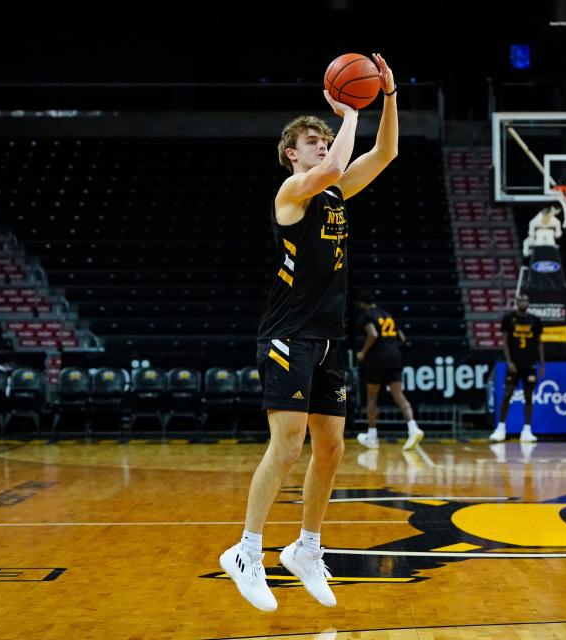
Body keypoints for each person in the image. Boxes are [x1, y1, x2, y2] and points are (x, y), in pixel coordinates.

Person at [219, 53, 398, 613]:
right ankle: (247, 551)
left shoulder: (336, 194)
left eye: (326, 139)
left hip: (328, 335)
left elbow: (386, 152)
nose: (323, 146)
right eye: (312, 141)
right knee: (289, 441)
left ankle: (306, 547)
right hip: (287, 332)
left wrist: (386, 98)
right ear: (291, 155)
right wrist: (348, 112)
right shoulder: (292, 193)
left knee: (332, 447)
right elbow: (330, 169)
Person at [354, 290, 424, 451]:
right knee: (399, 395)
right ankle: (413, 428)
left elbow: (373, 333)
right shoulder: (387, 315)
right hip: (395, 356)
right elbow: (402, 338)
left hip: (377, 359)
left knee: (372, 397)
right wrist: (390, 347)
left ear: (363, 304)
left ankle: (372, 437)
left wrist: (363, 352)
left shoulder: (366, 315)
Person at [489, 292, 544, 443]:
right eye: (520, 300)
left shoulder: (535, 320)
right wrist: (509, 361)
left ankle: (527, 430)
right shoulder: (508, 319)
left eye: (525, 300)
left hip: (530, 364)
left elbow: (540, 343)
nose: (523, 302)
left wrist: (542, 363)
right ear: (516, 302)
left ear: (528, 303)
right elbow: (504, 342)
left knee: (528, 396)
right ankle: (500, 428)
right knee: (508, 394)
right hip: (514, 364)